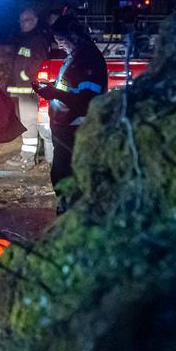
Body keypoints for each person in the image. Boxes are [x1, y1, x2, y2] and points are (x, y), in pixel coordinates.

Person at [33, 14, 107, 211]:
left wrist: (54, 92)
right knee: (61, 175)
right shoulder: (76, 56)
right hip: (65, 131)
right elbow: (71, 89)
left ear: (74, 36)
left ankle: (71, 218)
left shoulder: (88, 59)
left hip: (76, 131)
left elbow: (87, 100)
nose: (60, 45)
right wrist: (52, 90)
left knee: (69, 179)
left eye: (62, 40)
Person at [5, 8, 51, 168]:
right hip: (25, 90)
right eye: (21, 20)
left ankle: (28, 158)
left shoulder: (37, 39)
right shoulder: (27, 39)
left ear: (35, 20)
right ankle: (29, 155)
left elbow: (39, 61)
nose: (22, 24)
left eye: (26, 20)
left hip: (30, 91)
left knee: (29, 123)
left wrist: (26, 76)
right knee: (28, 122)